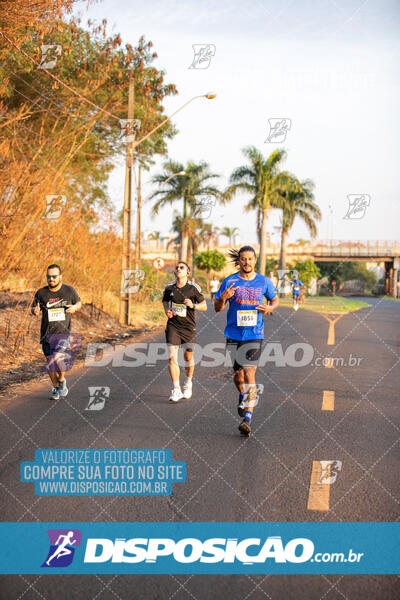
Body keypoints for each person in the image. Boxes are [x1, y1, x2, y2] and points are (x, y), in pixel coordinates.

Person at [214, 246, 279, 436]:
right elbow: (217, 308)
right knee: (239, 376)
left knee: (250, 374)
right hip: (233, 334)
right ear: (239, 261)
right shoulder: (230, 281)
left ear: (255, 260)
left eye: (250, 259)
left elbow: (275, 300)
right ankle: (242, 394)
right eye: (243, 259)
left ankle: (248, 418)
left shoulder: (264, 281)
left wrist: (269, 308)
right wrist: (222, 299)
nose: (247, 262)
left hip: (255, 334)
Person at [31, 264, 81, 400]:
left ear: (60, 277)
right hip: (46, 333)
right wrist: (34, 311)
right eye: (48, 277)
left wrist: (75, 308)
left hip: (63, 332)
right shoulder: (41, 293)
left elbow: (78, 303)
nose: (51, 279)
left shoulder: (69, 291)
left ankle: (62, 380)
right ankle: (56, 387)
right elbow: (34, 309)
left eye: (54, 276)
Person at [162, 262, 207, 402]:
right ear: (175, 272)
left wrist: (193, 305)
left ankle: (188, 383)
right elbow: (164, 301)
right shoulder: (169, 288)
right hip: (173, 326)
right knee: (172, 357)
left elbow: (204, 306)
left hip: (188, 327)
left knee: (187, 357)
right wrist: (167, 311)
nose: (178, 269)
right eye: (177, 268)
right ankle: (176, 389)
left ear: (188, 272)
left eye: (182, 267)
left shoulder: (193, 289)